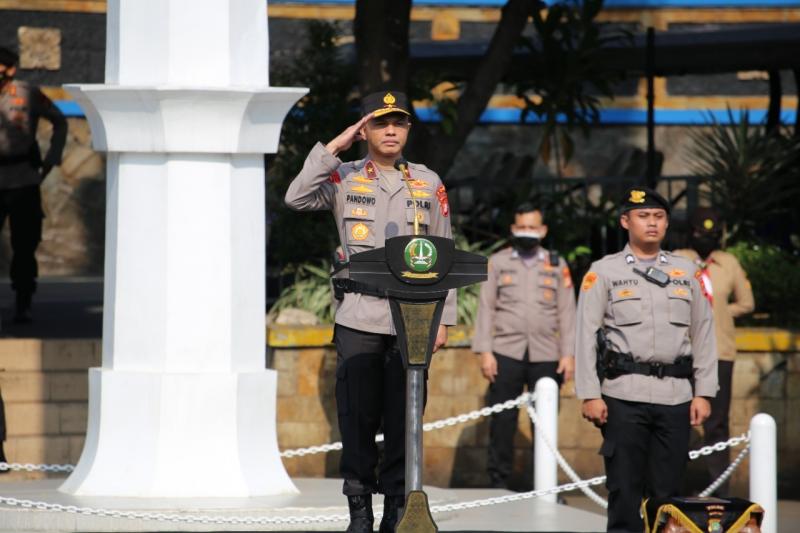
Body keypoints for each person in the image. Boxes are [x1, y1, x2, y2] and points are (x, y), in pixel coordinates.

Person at [284, 90, 456, 533]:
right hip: (359, 315)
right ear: (366, 130)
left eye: (399, 122)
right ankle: (358, 509)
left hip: (412, 318)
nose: (392, 130)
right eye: (381, 123)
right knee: (357, 417)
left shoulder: (427, 181)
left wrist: (445, 318)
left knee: (404, 419)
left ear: (408, 129)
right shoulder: (343, 177)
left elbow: (446, 253)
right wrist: (335, 146)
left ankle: (396, 510)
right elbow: (296, 197)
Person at [574, 186, 718, 533]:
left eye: (658, 217)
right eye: (643, 216)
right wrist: (590, 394)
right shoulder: (603, 272)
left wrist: (704, 392)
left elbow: (704, 332)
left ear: (667, 223)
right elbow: (583, 335)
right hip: (624, 395)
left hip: (676, 396)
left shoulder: (687, 272)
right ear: (626, 221)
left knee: (669, 494)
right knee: (623, 489)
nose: (651, 224)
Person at [471, 202, 576, 489]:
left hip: (547, 355)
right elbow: (486, 308)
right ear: (513, 229)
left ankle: (544, 486)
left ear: (542, 230)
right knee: (502, 421)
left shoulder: (556, 264)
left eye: (533, 227)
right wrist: (485, 352)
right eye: (522, 227)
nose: (527, 232)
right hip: (506, 352)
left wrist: (569, 355)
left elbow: (567, 311)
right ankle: (498, 482)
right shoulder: (499, 261)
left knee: (544, 426)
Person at [674, 207, 754, 495]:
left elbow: (747, 302)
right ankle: (674, 486)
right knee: (677, 420)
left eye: (711, 234)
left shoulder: (728, 263)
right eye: (699, 233)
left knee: (717, 423)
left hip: (720, 352)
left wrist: (719, 312)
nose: (705, 238)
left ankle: (719, 488)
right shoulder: (677, 260)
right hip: (683, 352)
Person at [0, 46, 67, 322]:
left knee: (24, 246)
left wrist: (51, 159)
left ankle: (23, 301)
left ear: (10, 69)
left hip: (23, 179)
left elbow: (59, 122)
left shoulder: (27, 93)